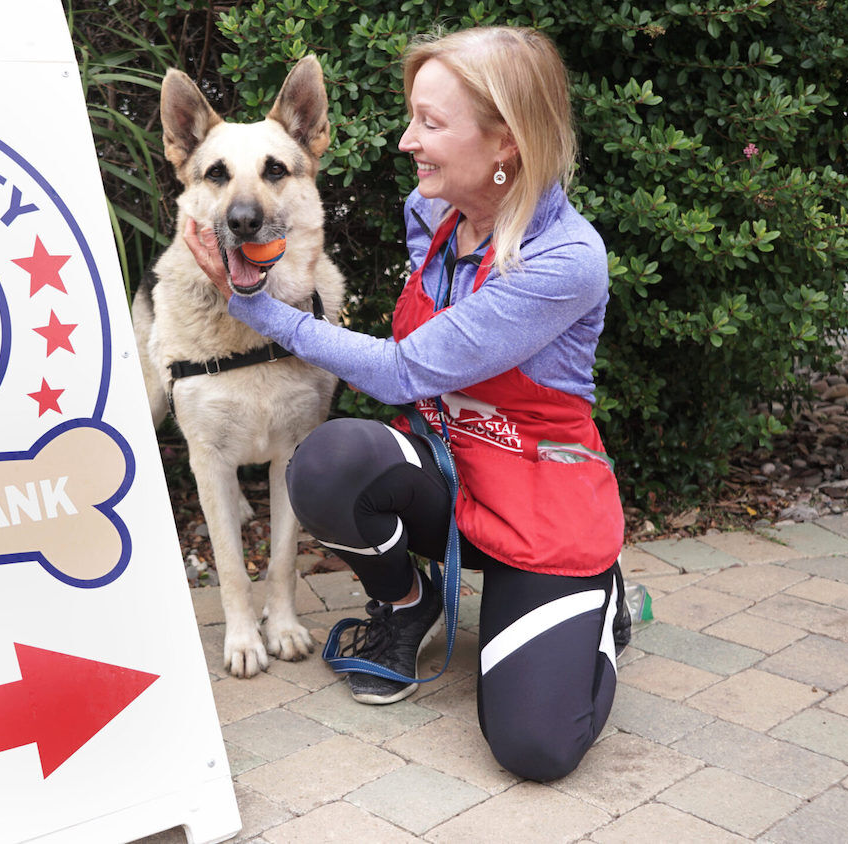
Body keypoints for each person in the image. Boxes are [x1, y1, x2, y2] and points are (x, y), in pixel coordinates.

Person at [182, 26, 627, 782]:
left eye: (429, 123)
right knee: (327, 463)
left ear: (505, 143)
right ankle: (409, 600)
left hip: (538, 506)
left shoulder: (565, 261)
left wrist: (252, 306)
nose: (404, 141)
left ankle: (599, 607)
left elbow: (403, 371)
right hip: (448, 477)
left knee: (536, 748)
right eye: (412, 117)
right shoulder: (434, 216)